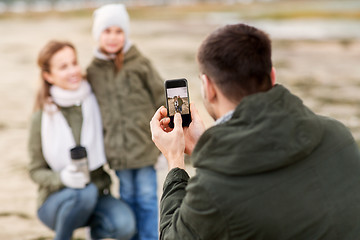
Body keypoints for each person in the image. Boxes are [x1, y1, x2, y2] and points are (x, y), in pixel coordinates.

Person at [150, 23, 360, 239]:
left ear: (208, 87)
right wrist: (203, 147)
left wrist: (175, 159)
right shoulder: (339, 135)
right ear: (272, 76)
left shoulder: (213, 191)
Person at [28, 40, 136, 240]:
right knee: (82, 193)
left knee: (125, 226)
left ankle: (93, 233)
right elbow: (35, 171)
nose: (73, 71)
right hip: (56, 201)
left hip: (98, 194)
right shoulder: (41, 118)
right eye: (63, 67)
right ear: (48, 76)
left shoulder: (95, 101)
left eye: (74, 63)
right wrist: (62, 178)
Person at [86, 4, 164, 240]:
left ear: (126, 34)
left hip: (143, 146)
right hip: (117, 151)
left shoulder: (139, 63)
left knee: (148, 198)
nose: (112, 37)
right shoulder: (93, 71)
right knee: (128, 196)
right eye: (106, 31)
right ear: (98, 34)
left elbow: (161, 96)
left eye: (118, 31)